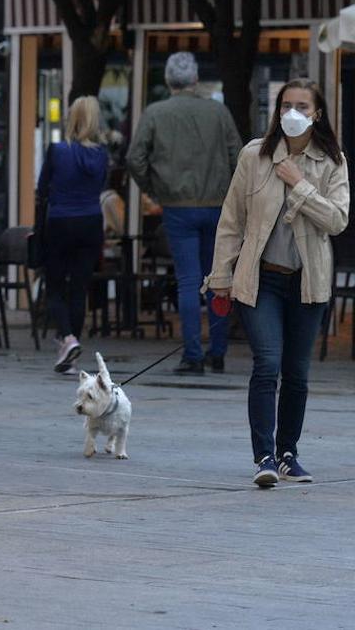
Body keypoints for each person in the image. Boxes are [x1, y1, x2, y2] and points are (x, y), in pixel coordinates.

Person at [205, 79, 348, 487]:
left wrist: (298, 183)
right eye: (286, 105)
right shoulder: (255, 154)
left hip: (309, 281)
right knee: (267, 364)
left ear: (317, 113)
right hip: (262, 278)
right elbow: (232, 219)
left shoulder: (333, 161)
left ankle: (288, 453)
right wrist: (221, 276)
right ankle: (264, 456)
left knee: (297, 372)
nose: (293, 112)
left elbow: (337, 220)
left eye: (302, 105)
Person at [127, 52, 242, 373]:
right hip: (217, 206)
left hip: (177, 206)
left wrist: (155, 188)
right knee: (218, 280)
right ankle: (217, 351)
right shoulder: (219, 113)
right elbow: (239, 157)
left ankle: (192, 354)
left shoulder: (155, 113)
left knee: (189, 281)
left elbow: (135, 159)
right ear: (195, 79)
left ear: (168, 80)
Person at [37, 96, 109, 373]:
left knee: (54, 286)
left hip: (60, 222)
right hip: (91, 222)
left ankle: (67, 339)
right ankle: (71, 354)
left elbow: (42, 189)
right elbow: (100, 185)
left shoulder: (57, 151)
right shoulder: (101, 154)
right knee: (79, 288)